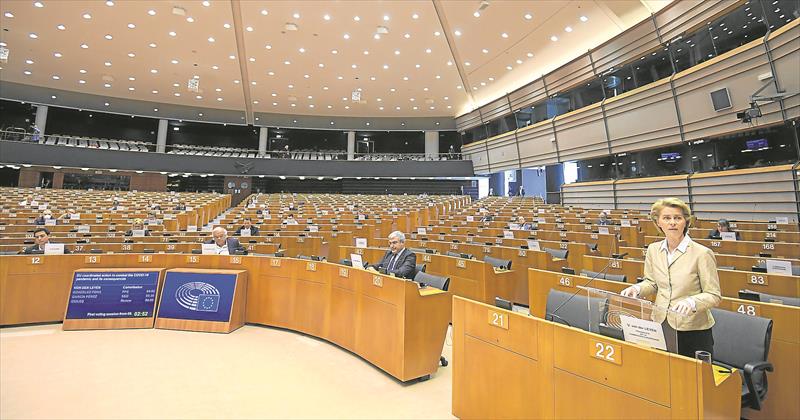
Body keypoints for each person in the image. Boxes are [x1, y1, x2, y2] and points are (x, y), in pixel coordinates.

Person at [621, 197, 721, 358]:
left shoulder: (702, 253)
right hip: (661, 323)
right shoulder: (653, 250)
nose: (672, 222)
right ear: (658, 222)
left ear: (685, 222)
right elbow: (652, 283)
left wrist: (692, 301)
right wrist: (637, 288)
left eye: (678, 218)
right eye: (667, 218)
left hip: (692, 328)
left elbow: (714, 295)